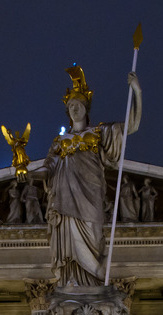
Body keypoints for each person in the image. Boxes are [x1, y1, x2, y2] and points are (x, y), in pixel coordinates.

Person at [27, 65, 141, 286]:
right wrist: (27, 174)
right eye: (71, 106)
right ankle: (75, 285)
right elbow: (48, 169)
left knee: (94, 239)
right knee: (70, 250)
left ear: (85, 108)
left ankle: (95, 279)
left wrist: (137, 91)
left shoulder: (99, 134)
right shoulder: (59, 143)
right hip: (64, 202)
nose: (74, 109)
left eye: (78, 105)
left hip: (90, 197)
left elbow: (132, 126)